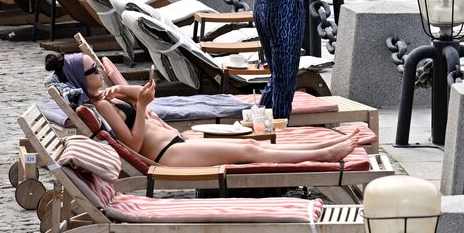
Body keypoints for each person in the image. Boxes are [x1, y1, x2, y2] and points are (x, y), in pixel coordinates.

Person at [45, 53, 357, 167]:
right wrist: (140, 107)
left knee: (249, 146)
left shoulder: (107, 98)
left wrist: (128, 93)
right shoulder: (101, 105)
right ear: (81, 81)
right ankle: (324, 154)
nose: (100, 71)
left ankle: (324, 146)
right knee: (249, 151)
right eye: (93, 70)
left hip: (175, 145)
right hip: (166, 157)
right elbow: (134, 145)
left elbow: (139, 94)